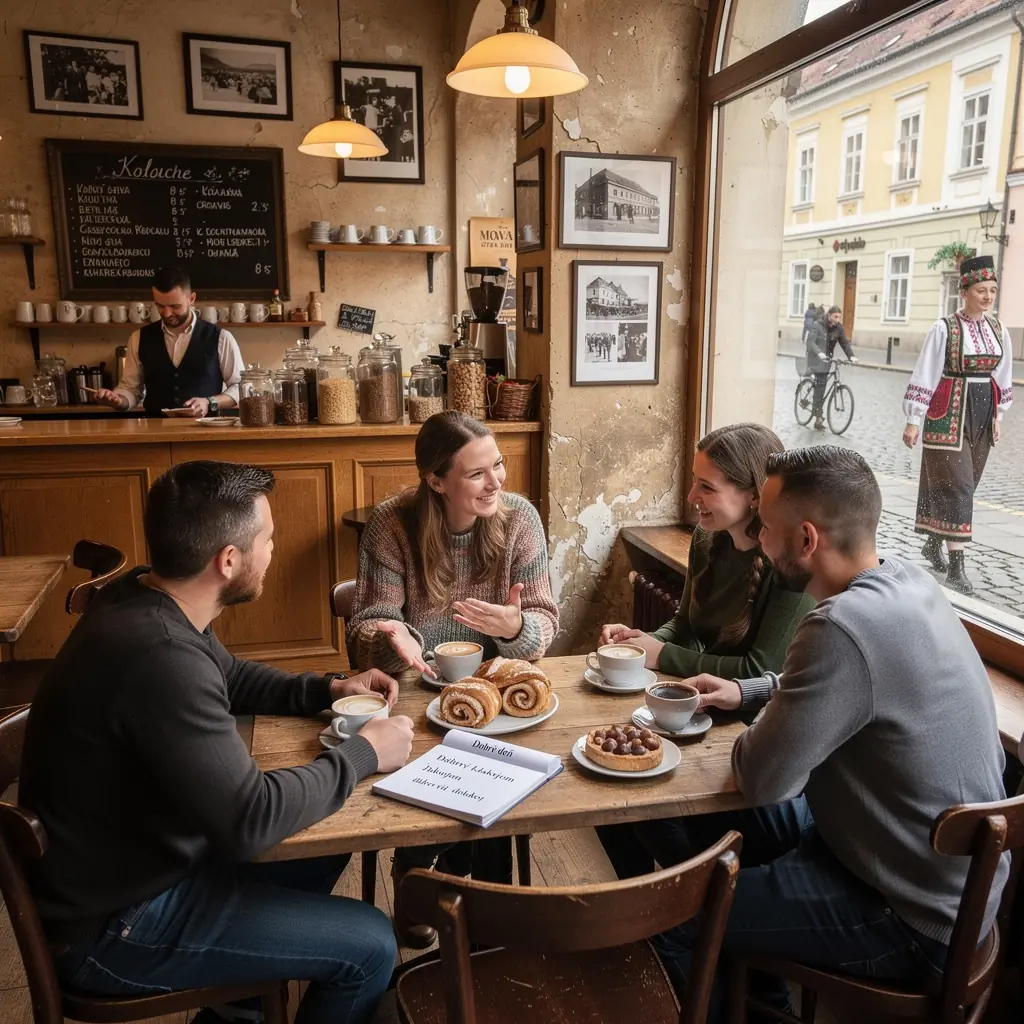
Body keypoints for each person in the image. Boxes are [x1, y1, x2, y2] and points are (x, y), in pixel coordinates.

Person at [19, 460, 416, 1024]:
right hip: (115, 926)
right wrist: (365, 752)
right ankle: (242, 999)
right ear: (228, 561)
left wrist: (328, 688)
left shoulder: (144, 595)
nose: (273, 549)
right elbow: (248, 818)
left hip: (142, 864)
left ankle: (238, 1008)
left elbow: (226, 676)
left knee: (326, 843)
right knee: (371, 945)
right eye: (268, 538)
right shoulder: (159, 657)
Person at [639, 446, 1008, 1023]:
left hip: (906, 915)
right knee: (714, 825)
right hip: (936, 880)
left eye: (766, 525)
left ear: (807, 540)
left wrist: (763, 717)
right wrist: (753, 691)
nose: (759, 536)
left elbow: (762, 778)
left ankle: (739, 964)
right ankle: (760, 988)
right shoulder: (908, 582)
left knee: (675, 920)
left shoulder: (837, 625)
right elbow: (857, 683)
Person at [347, 411, 559, 947]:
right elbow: (366, 627)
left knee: (503, 778)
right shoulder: (393, 524)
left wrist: (516, 628)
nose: (497, 483)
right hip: (418, 696)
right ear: (436, 480)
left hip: (499, 699)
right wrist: (390, 636)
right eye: (477, 474)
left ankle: (487, 906)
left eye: (499, 466)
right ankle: (419, 873)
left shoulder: (520, 520)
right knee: (431, 772)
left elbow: (544, 628)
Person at [597, 423, 813, 879]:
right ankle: (640, 899)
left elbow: (760, 671)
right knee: (607, 790)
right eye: (695, 480)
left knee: (640, 801)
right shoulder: (706, 538)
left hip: (748, 726)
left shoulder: (788, 563)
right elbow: (687, 625)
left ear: (754, 496)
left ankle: (689, 897)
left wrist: (662, 657)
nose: (692, 495)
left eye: (707, 486)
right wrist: (643, 644)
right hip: (699, 709)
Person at [903, 254, 1013, 596]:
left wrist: (999, 415)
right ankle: (957, 568)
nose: (988, 296)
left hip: (981, 413)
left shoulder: (998, 330)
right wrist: (913, 419)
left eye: (992, 290)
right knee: (959, 485)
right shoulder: (944, 328)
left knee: (969, 483)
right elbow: (926, 372)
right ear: (964, 291)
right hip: (947, 412)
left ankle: (934, 541)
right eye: (981, 289)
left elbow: (1002, 374)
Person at [93, 266, 243, 418]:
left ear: (191, 299)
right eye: (160, 305)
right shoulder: (139, 338)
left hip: (205, 433)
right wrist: (118, 400)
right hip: (155, 431)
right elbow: (131, 389)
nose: (167, 313)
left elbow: (240, 387)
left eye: (174, 306)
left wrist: (209, 402)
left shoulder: (221, 338)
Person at [806, 305, 857, 430]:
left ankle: (819, 412)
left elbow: (844, 343)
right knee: (821, 386)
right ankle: (818, 416)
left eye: (839, 317)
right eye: (835, 317)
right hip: (815, 359)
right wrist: (819, 353)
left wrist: (851, 356)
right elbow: (810, 342)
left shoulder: (838, 328)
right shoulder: (818, 325)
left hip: (827, 359)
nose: (837, 320)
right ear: (829, 315)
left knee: (822, 384)